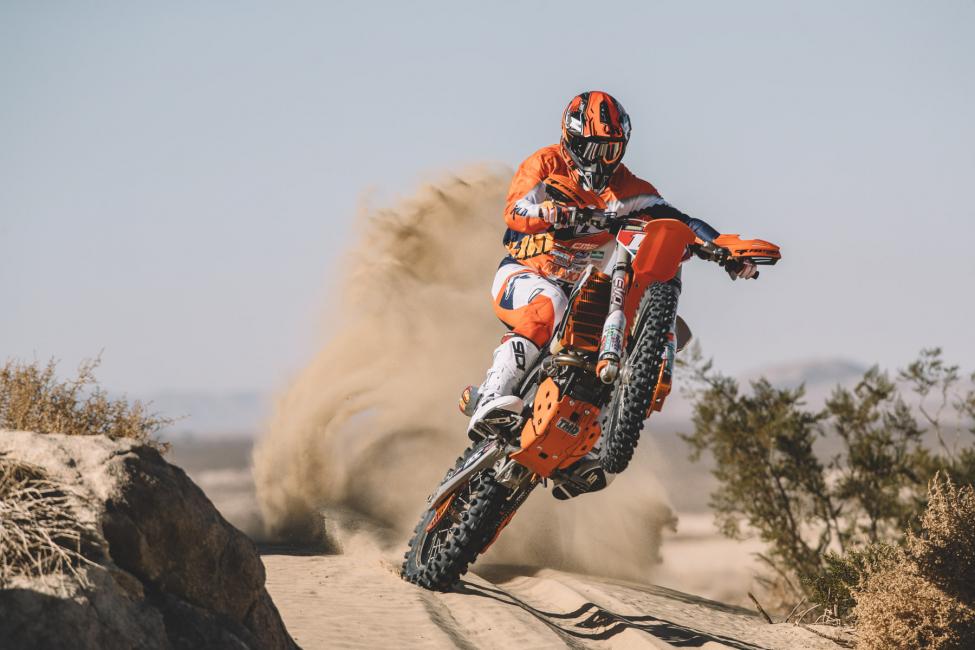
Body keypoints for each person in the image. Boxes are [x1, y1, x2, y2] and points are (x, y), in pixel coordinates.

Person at [462, 91, 756, 498]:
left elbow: (679, 221)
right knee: (549, 306)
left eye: (612, 150)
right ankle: (492, 398)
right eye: (594, 149)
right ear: (572, 140)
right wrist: (549, 212)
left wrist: (723, 249)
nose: (602, 160)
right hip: (527, 273)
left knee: (633, 334)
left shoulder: (629, 188)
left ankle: (592, 445)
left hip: (586, 287)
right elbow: (515, 210)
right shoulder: (545, 164)